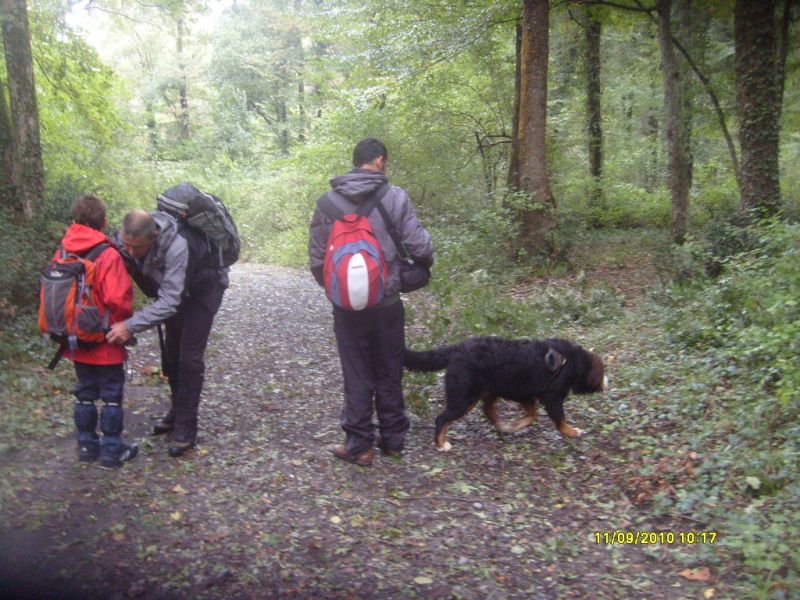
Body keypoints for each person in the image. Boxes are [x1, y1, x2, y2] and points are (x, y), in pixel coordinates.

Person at [308, 138, 434, 466]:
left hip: (345, 309)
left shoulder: (327, 203)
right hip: (387, 302)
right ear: (379, 160)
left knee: (356, 372)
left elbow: (317, 258)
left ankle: (359, 445)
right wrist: (413, 269)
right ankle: (392, 441)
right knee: (389, 369)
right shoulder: (395, 197)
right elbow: (419, 247)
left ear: (355, 161)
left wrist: (339, 290)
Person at [106, 185, 228, 457]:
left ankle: (186, 426)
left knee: (189, 359)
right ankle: (176, 411)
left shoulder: (178, 246)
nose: (129, 251)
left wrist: (130, 325)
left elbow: (170, 301)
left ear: (154, 237)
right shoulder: (126, 240)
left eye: (137, 247)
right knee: (171, 355)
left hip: (203, 291)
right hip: (176, 291)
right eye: (126, 244)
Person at [57, 194, 137, 468]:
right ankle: (112, 452)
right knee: (112, 396)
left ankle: (86, 447)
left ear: (75, 218)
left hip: (75, 338)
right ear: (103, 221)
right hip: (106, 338)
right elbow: (118, 299)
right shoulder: (108, 254)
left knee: (85, 392)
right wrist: (125, 326)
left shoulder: (63, 250)